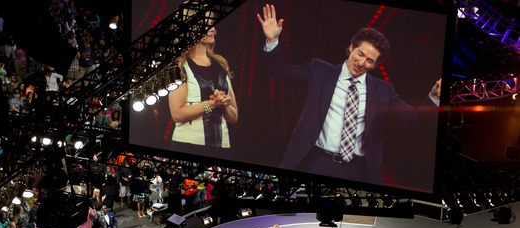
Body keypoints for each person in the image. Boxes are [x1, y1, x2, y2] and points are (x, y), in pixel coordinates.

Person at [257, 5, 441, 186]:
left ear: (375, 65)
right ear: (351, 47)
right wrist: (272, 41)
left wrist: (433, 97)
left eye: (370, 60)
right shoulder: (319, 70)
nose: (361, 63)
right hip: (315, 162)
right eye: (360, 54)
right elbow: (280, 72)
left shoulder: (383, 90)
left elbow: (413, 119)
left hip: (358, 171)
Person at [168, 25, 238, 149]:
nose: (212, 29)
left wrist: (224, 104)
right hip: (188, 146)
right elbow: (177, 114)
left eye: (213, 24)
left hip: (222, 148)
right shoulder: (179, 66)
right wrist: (211, 104)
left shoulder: (221, 66)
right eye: (206, 25)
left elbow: (234, 118)